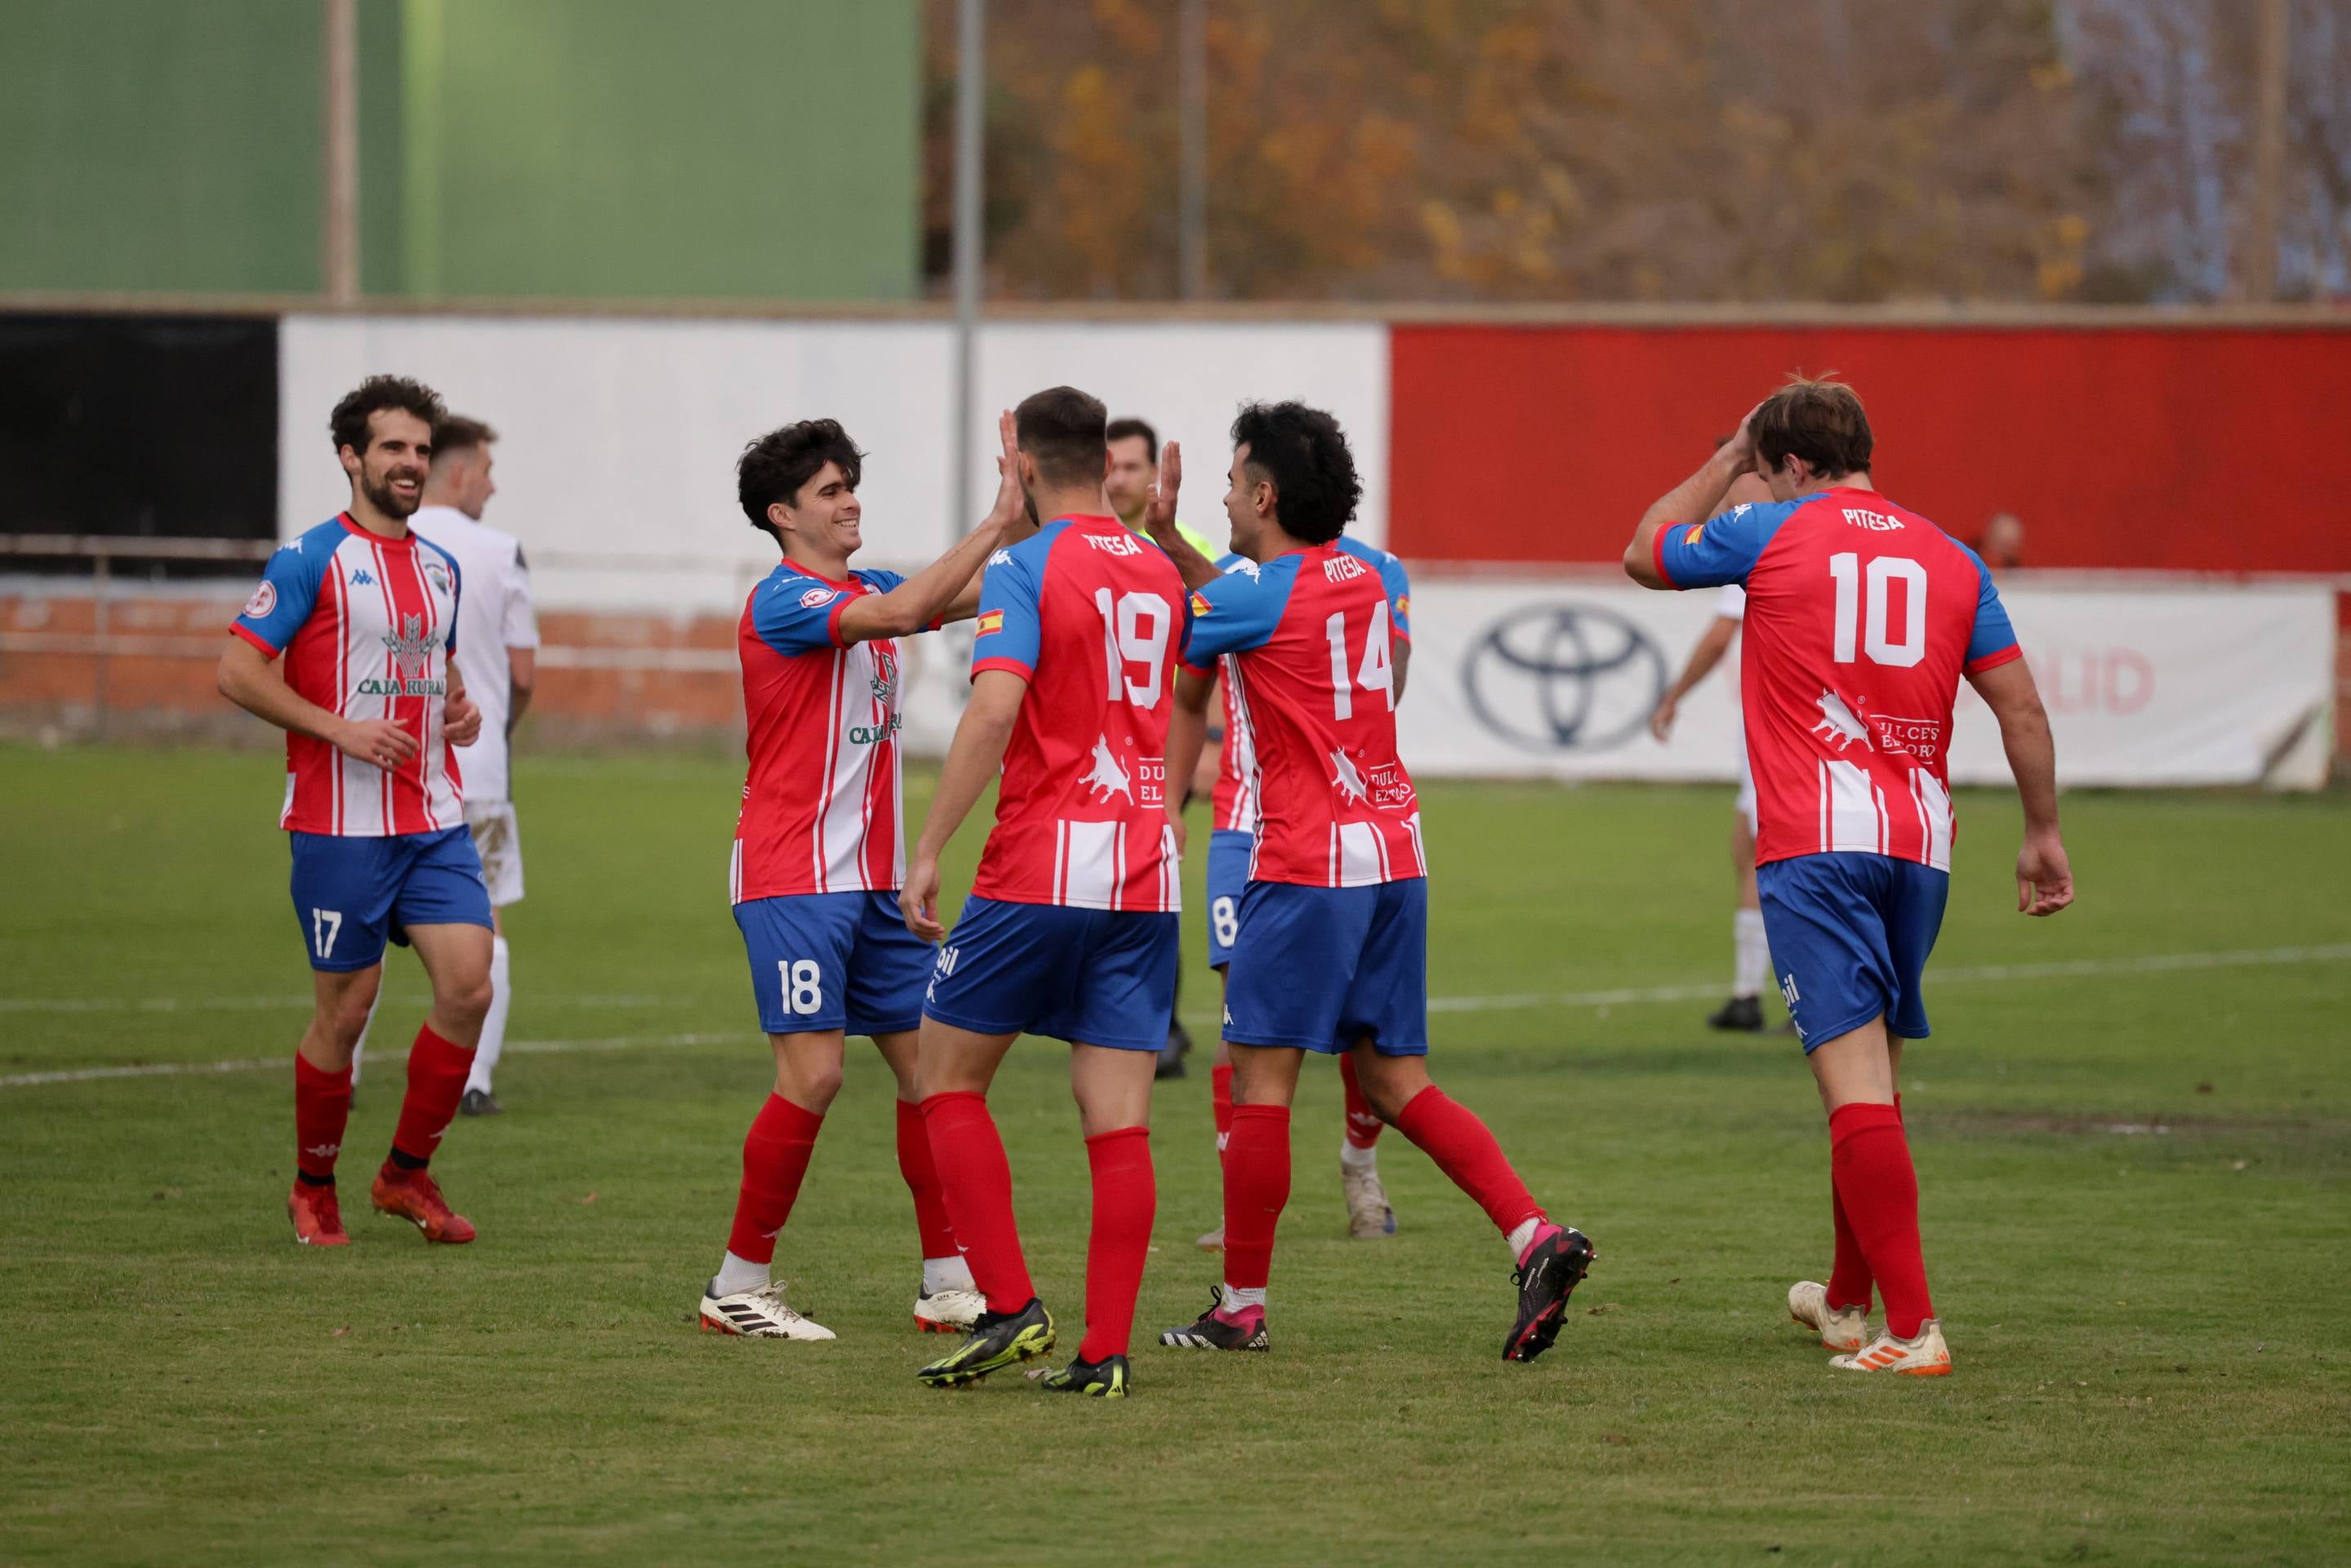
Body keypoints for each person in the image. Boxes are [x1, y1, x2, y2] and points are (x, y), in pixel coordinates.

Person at [1623, 376, 2073, 1376]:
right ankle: (1843, 1301)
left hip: (1814, 848)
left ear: (1785, 464)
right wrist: (2041, 831)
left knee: (1854, 1084)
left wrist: (1724, 458)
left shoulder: (1773, 531)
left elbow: (1643, 548)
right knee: (1871, 1082)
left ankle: (1911, 1332)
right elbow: (2023, 713)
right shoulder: (1953, 558)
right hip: (1918, 848)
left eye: (1764, 467)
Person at [1146, 402, 1595, 1363]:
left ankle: (1240, 1306)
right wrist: (1182, 545)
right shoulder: (1366, 575)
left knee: (1259, 1085)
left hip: (1303, 864)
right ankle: (1532, 1235)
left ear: (1263, 496)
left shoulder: (1255, 594)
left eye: (1231, 484)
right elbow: (1256, 604)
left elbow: (1195, 605)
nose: (1223, 498)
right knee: (1395, 1081)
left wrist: (1148, 536)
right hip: (1394, 855)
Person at [696, 412, 1027, 1342]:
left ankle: (946, 1280)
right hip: (791, 877)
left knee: (931, 1074)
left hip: (875, 885)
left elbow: (952, 595)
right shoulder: (782, 601)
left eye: (850, 487)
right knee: (814, 1076)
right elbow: (901, 613)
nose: (850, 504)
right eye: (830, 492)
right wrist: (997, 518)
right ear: (782, 515)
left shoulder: (875, 584)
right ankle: (736, 1284)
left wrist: (1043, 521)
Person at [901, 385, 1187, 1398]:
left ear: (1018, 459)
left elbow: (993, 708)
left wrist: (930, 841)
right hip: (1147, 875)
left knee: (944, 1079)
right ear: (1105, 462)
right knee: (1118, 1121)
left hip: (1040, 868)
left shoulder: (1026, 565)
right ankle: (1104, 1353)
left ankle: (1014, 1305)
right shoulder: (1158, 567)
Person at [216, 375, 494, 1249]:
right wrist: (340, 730)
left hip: (432, 817)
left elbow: (433, 670)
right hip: (339, 825)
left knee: (469, 985)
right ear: (351, 457)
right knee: (347, 1009)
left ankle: (403, 1174)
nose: (410, 463)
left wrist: (458, 709)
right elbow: (237, 670)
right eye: (392, 449)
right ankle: (312, 1186)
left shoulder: (441, 568)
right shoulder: (310, 559)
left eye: (419, 449)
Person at [1187, 535, 1414, 1249]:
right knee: (1240, 1013)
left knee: (1361, 1025)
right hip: (1239, 826)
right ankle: (1239, 1201)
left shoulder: (1380, 571)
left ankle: (1360, 1167)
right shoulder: (1226, 578)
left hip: (1333, 826)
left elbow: (1390, 682)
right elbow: (1186, 686)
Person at [385, 415, 540, 1116]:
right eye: (486, 469)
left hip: (381, 768)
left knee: (364, 923)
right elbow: (523, 672)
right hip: (476, 778)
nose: (494, 483)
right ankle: (474, 1082)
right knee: (487, 921)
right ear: (458, 473)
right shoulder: (502, 550)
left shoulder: (387, 543)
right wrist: (495, 731)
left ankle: (346, 1072)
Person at [1106, 414, 1219, 1082]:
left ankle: (1159, 1024)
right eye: (1108, 466)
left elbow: (1227, 657)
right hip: (1096, 749)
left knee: (1148, 877)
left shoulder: (1190, 548)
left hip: (1159, 750)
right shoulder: (1075, 542)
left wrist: (1208, 743)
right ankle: (1124, 1016)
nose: (1117, 477)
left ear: (1154, 475)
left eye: (1129, 466)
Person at [1648, 467, 1779, 1032]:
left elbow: (1722, 632)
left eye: (1735, 480)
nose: (1726, 498)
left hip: (1778, 727)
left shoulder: (1757, 537)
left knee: (1766, 855)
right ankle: (1755, 992)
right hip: (1829, 729)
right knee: (1757, 850)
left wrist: (1674, 694)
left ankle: (1775, 995)